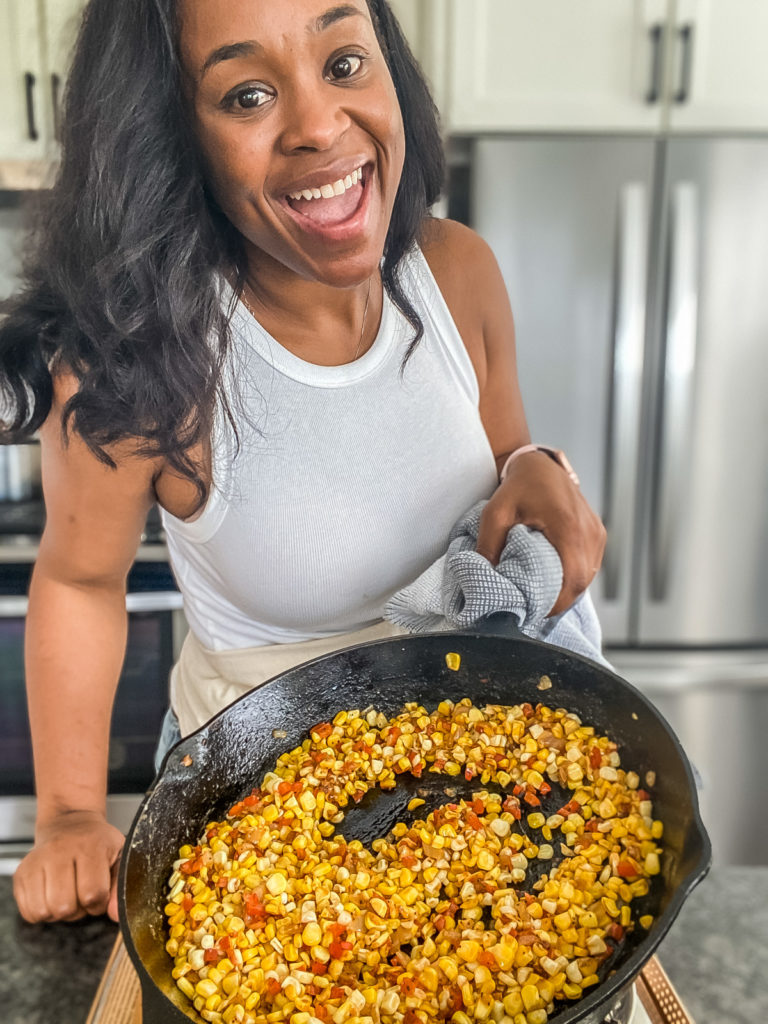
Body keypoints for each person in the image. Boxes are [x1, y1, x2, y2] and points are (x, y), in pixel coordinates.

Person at [0, 0, 605, 925]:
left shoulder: (457, 269)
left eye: (345, 63)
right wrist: (71, 816)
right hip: (266, 821)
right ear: (168, 134)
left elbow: (502, 460)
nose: (319, 125)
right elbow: (80, 582)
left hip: (476, 789)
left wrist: (535, 470)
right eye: (246, 94)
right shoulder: (138, 360)